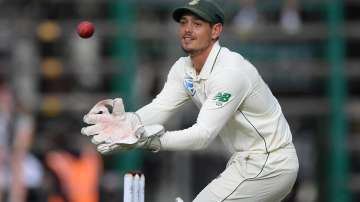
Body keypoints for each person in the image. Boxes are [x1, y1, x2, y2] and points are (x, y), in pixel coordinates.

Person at [81, 0, 299, 201]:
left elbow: (202, 136)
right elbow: (161, 107)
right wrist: (130, 123)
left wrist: (148, 140)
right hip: (245, 162)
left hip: (270, 163)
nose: (187, 29)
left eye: (197, 24)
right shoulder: (183, 68)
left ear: (216, 31)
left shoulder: (230, 73)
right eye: (184, 23)